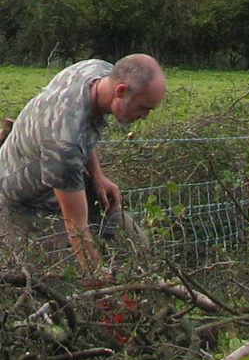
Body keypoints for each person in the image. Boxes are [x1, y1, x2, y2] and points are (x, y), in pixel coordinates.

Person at [0, 54, 166, 275]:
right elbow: (76, 228)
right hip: (22, 203)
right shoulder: (64, 145)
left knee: (135, 245)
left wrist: (98, 177)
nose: (144, 116)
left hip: (61, 176)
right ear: (121, 91)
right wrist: (97, 277)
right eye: (144, 107)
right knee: (54, 283)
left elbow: (82, 131)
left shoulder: (97, 72)